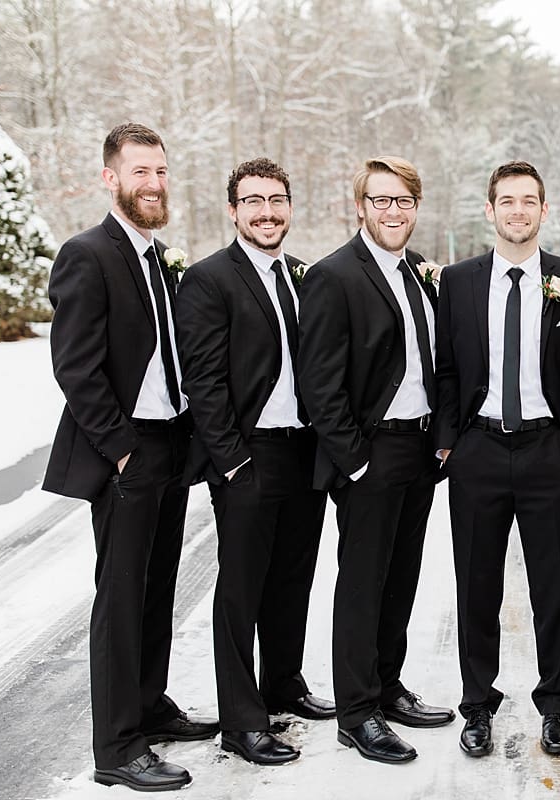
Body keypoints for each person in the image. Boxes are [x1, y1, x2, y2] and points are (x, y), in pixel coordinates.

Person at [43, 123, 217, 792]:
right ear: (111, 178)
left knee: (157, 588)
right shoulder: (85, 254)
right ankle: (117, 747)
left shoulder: (163, 256)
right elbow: (76, 368)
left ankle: (149, 706)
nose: (154, 183)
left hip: (171, 441)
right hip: (127, 449)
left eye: (162, 172)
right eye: (141, 171)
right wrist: (119, 452)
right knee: (119, 599)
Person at [433, 161, 560, 758]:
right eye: (507, 201)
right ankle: (476, 705)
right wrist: (449, 441)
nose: (518, 211)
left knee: (556, 586)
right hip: (476, 449)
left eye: (529, 201)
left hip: (546, 450)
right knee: (477, 586)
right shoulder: (458, 281)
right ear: (490, 210)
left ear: (544, 211)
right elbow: (446, 367)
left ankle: (555, 704)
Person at [175, 157, 334, 767]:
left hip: (303, 451)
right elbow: (205, 381)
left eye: (277, 200)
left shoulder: (302, 275)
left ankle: (283, 685)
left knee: (292, 579)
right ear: (234, 210)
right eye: (254, 201)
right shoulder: (211, 279)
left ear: (290, 207)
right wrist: (233, 462)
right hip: (250, 456)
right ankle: (242, 720)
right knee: (241, 591)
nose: (267, 212)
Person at [297, 156, 455, 765]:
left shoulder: (418, 271)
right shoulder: (335, 275)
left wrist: (438, 440)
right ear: (360, 206)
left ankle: (388, 687)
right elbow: (320, 382)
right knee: (362, 585)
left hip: (418, 450)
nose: (394, 212)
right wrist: (355, 462)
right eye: (382, 201)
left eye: (404, 202)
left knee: (402, 577)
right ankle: (357, 711)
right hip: (371, 452)